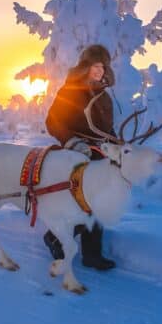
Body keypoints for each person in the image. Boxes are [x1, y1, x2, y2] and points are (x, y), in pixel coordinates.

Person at [44, 44, 117, 271]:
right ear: (85, 67)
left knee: (99, 202)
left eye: (103, 67)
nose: (99, 71)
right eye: (95, 66)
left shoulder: (104, 97)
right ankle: (55, 238)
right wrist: (72, 141)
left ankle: (91, 255)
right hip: (76, 155)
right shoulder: (70, 91)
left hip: (99, 155)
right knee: (84, 203)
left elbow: (106, 130)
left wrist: (117, 146)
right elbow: (53, 122)